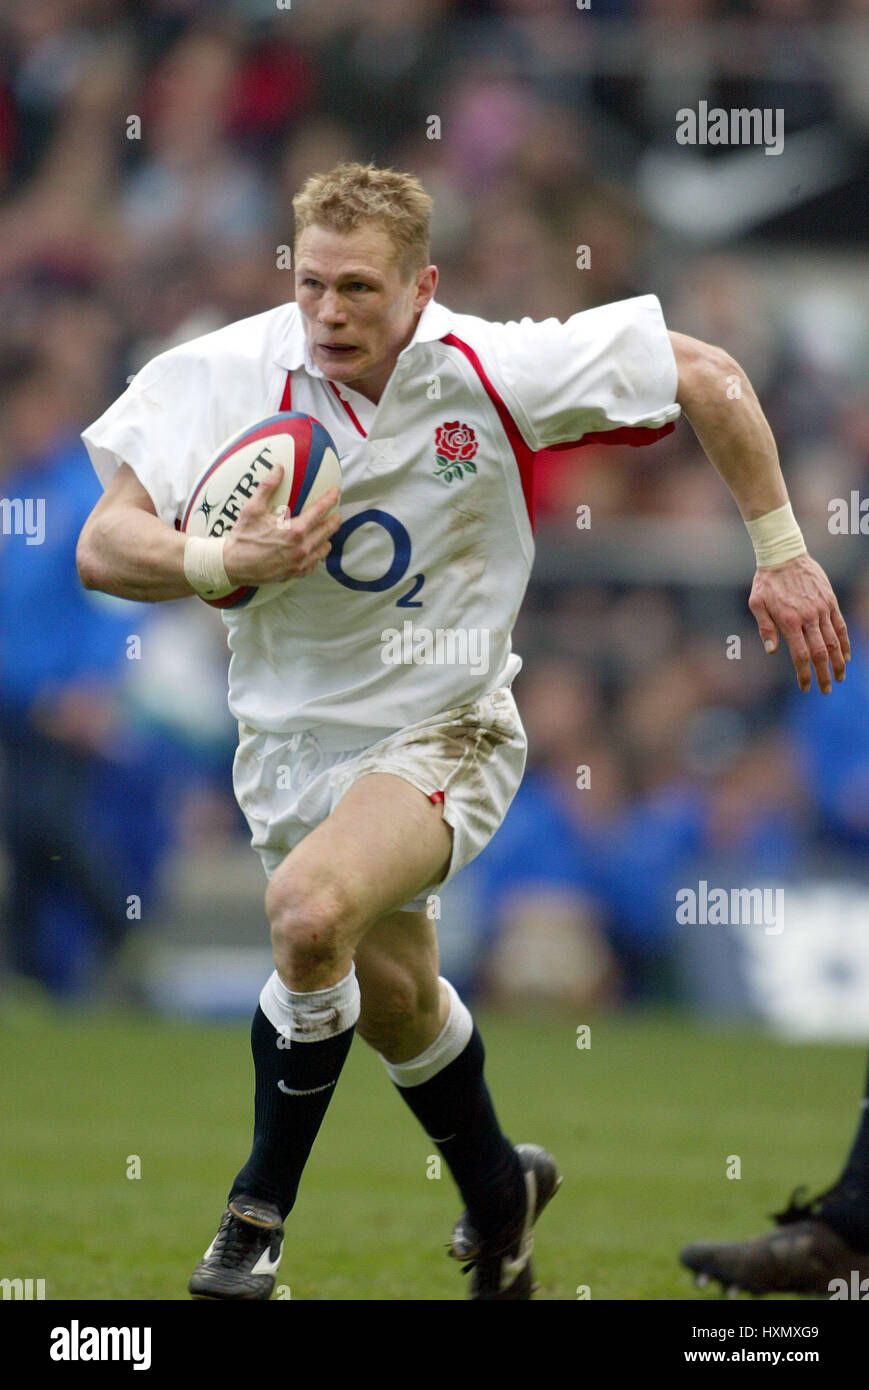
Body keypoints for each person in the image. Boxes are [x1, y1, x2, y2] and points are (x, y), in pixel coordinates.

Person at [76, 163, 849, 1301]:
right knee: (394, 1007)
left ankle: (252, 1227)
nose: (329, 312)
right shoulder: (221, 374)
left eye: (358, 288)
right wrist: (220, 561)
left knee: (305, 915)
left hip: (449, 728)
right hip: (287, 751)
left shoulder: (491, 365)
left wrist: (780, 550)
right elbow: (102, 543)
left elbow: (708, 375)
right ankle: (499, 1197)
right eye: (310, 284)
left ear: (421, 286)